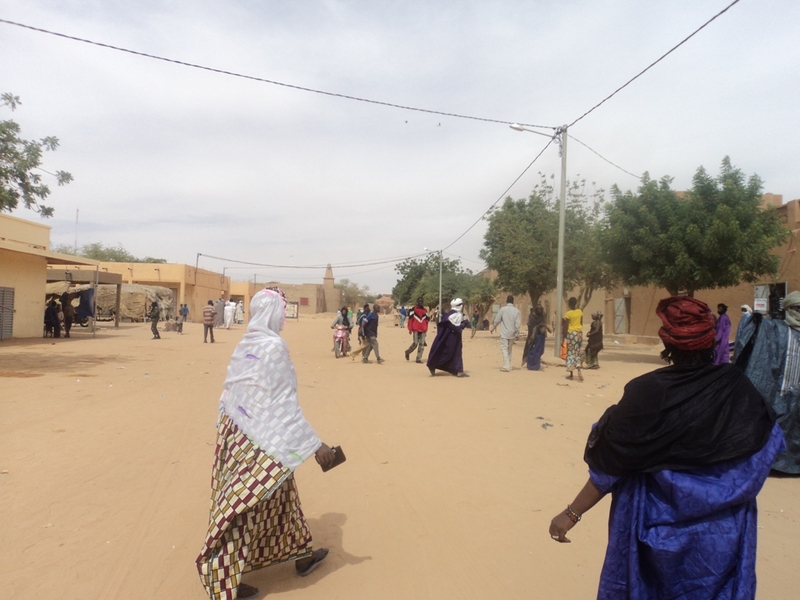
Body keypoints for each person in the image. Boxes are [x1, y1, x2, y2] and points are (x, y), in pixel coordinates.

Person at [549, 296, 784, 598]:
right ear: (713, 341)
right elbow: (770, 443)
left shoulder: (646, 392)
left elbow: (611, 461)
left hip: (653, 535)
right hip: (720, 540)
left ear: (668, 343)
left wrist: (571, 514)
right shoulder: (739, 389)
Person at [196, 288, 335, 600]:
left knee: (283, 495)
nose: (284, 317)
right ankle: (219, 580)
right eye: (282, 311)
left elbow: (233, 394)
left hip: (241, 433)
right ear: (272, 313)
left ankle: (301, 555)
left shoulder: (247, 343)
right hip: (257, 441)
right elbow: (283, 402)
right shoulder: (272, 347)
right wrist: (315, 444)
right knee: (243, 506)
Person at [735, 290, 800, 473]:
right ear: (787, 309)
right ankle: (772, 463)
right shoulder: (775, 329)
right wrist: (751, 319)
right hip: (779, 392)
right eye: (796, 308)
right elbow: (756, 332)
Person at [427, 298, 468, 377]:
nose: (462, 306)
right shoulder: (453, 315)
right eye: (460, 305)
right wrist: (462, 325)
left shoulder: (455, 314)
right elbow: (455, 327)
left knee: (457, 353)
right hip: (451, 338)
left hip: (455, 337)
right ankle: (433, 364)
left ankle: (458, 370)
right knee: (449, 353)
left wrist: (464, 323)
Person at [491, 295, 521, 372]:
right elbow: (517, 324)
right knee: (509, 349)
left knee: (504, 349)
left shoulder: (502, 310)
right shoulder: (517, 311)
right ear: (513, 301)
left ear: (506, 301)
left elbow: (497, 320)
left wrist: (493, 328)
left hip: (504, 333)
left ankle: (506, 365)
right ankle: (509, 364)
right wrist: (517, 334)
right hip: (512, 333)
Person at [524, 304, 549, 371]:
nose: (540, 311)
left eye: (541, 309)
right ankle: (531, 365)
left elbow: (544, 325)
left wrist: (543, 326)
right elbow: (530, 325)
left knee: (539, 350)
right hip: (534, 335)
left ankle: (536, 365)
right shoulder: (533, 317)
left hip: (541, 336)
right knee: (532, 350)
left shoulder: (542, 317)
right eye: (539, 309)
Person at [563, 297, 583, 380]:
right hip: (579, 334)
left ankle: (571, 374)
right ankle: (578, 368)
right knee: (577, 352)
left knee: (570, 353)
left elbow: (566, 326)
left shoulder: (568, 314)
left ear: (569, 304)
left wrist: (563, 337)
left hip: (571, 334)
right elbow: (581, 323)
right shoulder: (580, 312)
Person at [404, 298, 429, 363]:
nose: (420, 303)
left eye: (422, 301)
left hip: (423, 330)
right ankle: (407, 352)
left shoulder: (425, 311)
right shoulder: (413, 310)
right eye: (419, 301)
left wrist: (426, 329)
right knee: (415, 343)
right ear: (417, 302)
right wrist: (410, 329)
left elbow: (426, 321)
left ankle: (418, 358)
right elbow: (410, 320)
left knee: (422, 344)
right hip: (415, 329)